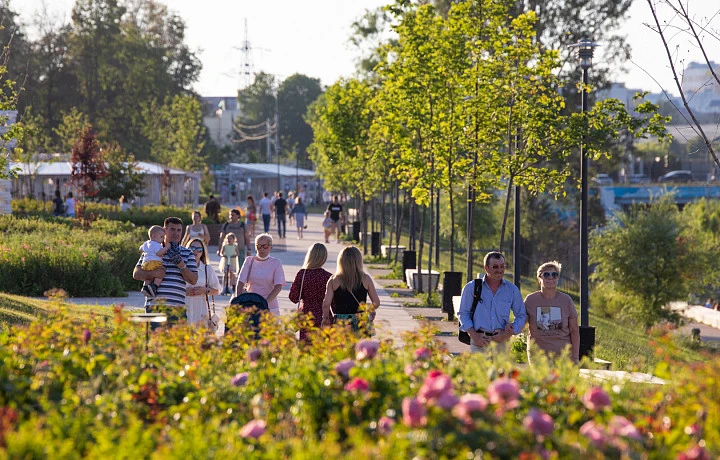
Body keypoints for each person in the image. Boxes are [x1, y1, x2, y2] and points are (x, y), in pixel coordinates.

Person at [458, 251, 526, 354]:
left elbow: (522, 315)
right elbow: (463, 314)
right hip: (479, 342)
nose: (500, 270)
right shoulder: (472, 287)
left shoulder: (512, 290)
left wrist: (507, 334)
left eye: (502, 266)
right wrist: (474, 336)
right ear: (486, 268)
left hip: (502, 344)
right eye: (495, 267)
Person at [133, 217, 198, 319]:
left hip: (177, 308)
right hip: (154, 307)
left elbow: (193, 280)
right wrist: (154, 273)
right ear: (164, 230)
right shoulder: (152, 249)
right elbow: (136, 274)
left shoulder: (188, 253)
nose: (176, 233)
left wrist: (181, 265)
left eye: (179, 230)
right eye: (172, 229)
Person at [524, 261, 580, 365]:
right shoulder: (530, 300)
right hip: (538, 355)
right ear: (539, 279)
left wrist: (575, 356)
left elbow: (574, 329)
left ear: (558, 278)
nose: (550, 278)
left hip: (563, 355)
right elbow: (521, 323)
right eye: (546, 275)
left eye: (554, 275)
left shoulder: (566, 300)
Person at [321, 246, 380, 335]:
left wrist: (325, 318)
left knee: (342, 343)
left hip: (341, 322)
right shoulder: (366, 279)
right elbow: (376, 302)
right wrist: (367, 311)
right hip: (361, 321)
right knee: (361, 344)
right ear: (359, 261)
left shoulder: (333, 280)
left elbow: (326, 304)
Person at [289, 243, 332, 341]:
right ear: (324, 257)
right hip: (324, 316)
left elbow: (293, 298)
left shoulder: (302, 274)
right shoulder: (328, 277)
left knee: (306, 346)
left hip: (307, 316)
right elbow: (334, 303)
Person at [235, 233, 286, 316]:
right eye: (259, 246)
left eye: (265, 246)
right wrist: (239, 300)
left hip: (270, 306)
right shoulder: (249, 261)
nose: (262, 249)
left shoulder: (276, 263)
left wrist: (264, 303)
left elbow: (278, 287)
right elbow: (240, 282)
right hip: (251, 306)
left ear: (270, 247)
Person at [184, 237, 223, 332]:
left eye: (199, 249)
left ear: (203, 252)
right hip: (184, 309)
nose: (195, 251)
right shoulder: (182, 268)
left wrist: (205, 290)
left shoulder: (207, 269)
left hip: (201, 312)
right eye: (192, 248)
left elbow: (217, 290)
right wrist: (185, 291)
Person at [138, 225, 170, 298]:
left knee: (148, 278)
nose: (163, 239)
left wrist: (148, 252)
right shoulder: (156, 244)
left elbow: (140, 249)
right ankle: (154, 286)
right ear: (154, 236)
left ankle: (145, 287)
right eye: (161, 237)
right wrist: (167, 247)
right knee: (161, 273)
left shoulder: (146, 243)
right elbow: (159, 253)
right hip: (154, 262)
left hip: (145, 263)